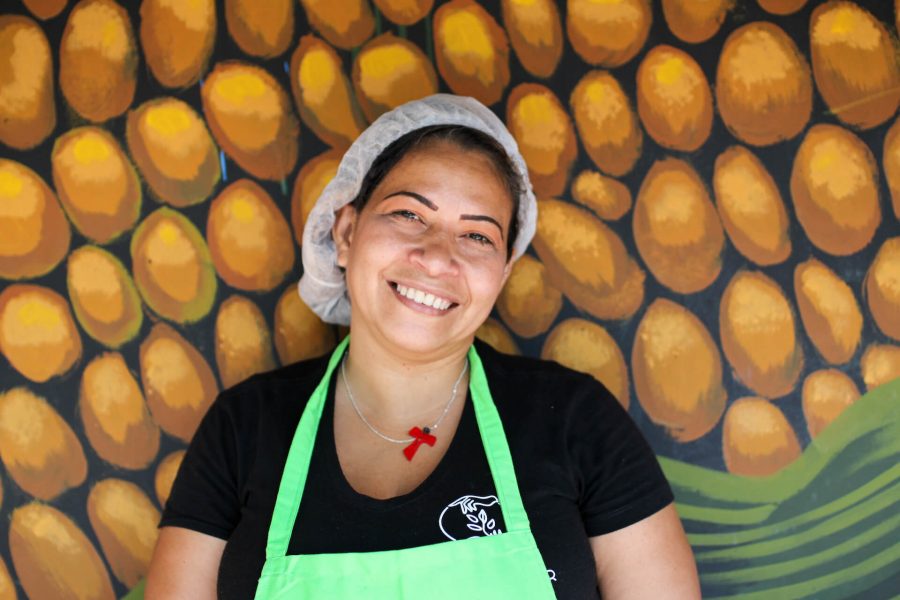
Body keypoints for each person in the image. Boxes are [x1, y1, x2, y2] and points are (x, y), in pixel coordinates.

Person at [146, 94, 700, 599]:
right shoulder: (244, 428)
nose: (438, 257)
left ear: (503, 271)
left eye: (477, 235)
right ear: (345, 233)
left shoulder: (575, 421)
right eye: (409, 214)